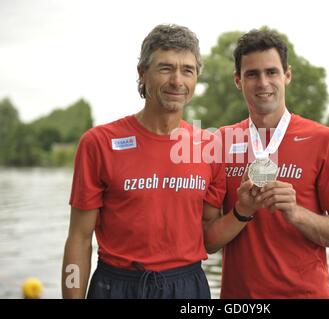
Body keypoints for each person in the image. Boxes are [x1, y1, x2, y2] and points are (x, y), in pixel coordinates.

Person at [61, 24, 225, 299]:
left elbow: (210, 235)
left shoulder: (209, 147)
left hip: (187, 286)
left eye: (187, 70)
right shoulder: (98, 142)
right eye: (165, 68)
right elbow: (79, 238)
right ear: (142, 73)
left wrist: (247, 211)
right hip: (116, 285)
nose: (177, 80)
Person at [203, 29, 329, 298]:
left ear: (287, 75)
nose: (263, 82)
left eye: (272, 72)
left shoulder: (326, 140)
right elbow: (208, 241)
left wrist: (296, 213)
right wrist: (242, 211)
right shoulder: (220, 141)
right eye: (252, 74)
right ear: (238, 80)